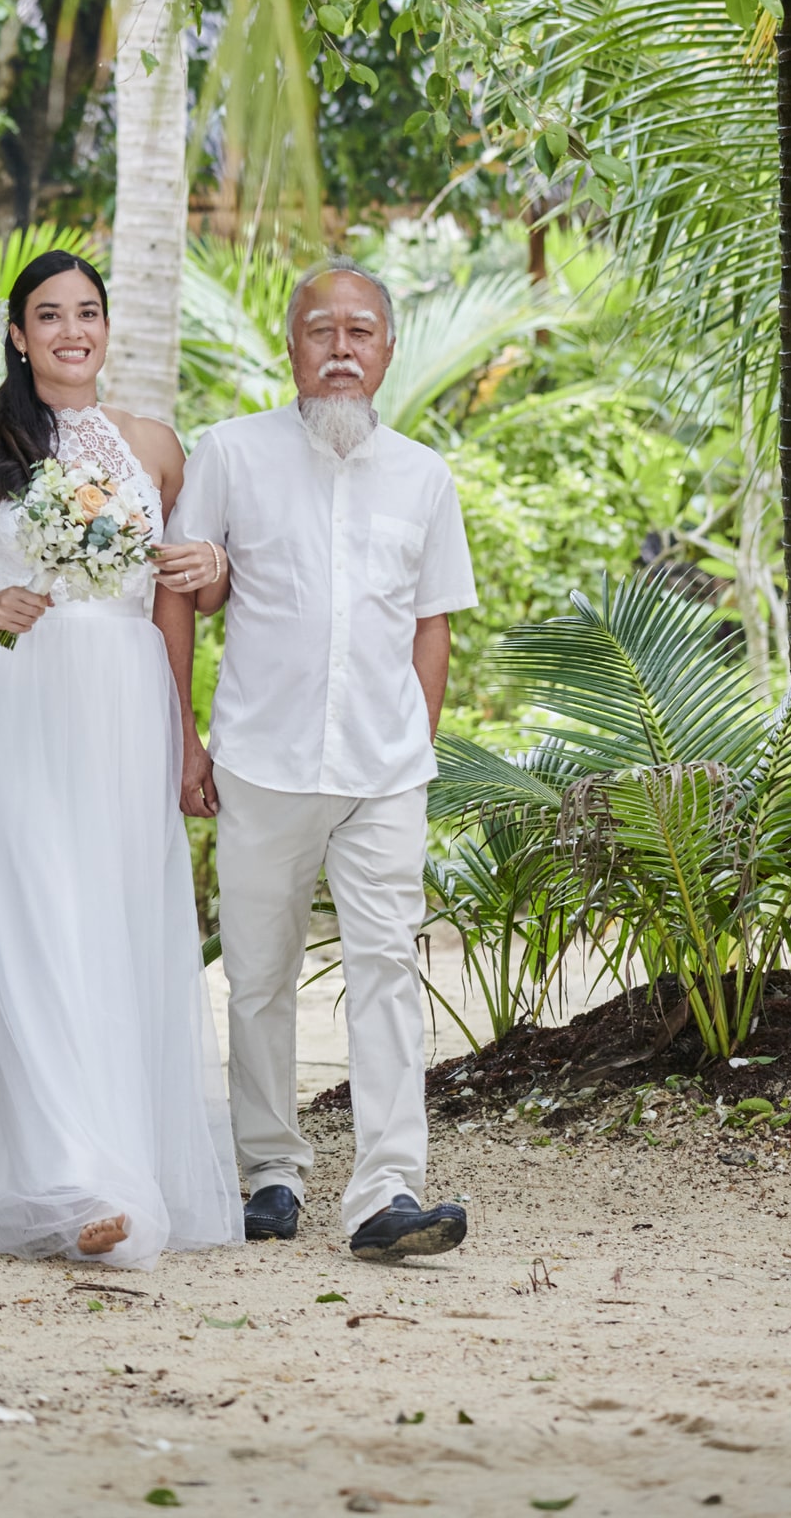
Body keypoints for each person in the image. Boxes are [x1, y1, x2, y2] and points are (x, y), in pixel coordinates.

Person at [0, 248, 242, 1268]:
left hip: (125, 709)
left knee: (113, 932)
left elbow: (181, 604)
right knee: (28, 923)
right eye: (50, 314)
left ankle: (119, 1156)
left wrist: (185, 732)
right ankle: (73, 1179)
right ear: (17, 332)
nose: (72, 330)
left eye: (88, 312)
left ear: (106, 327)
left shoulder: (156, 448)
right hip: (19, 706)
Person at [166, 257, 479, 1261]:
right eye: (321, 330)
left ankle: (388, 1189)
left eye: (360, 332)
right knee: (257, 972)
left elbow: (432, 626)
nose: (340, 350)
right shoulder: (229, 453)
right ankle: (269, 1170)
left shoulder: (426, 477)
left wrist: (415, 744)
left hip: (385, 772)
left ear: (386, 347)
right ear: (290, 343)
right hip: (262, 758)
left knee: (389, 969)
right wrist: (187, 739)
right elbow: (182, 593)